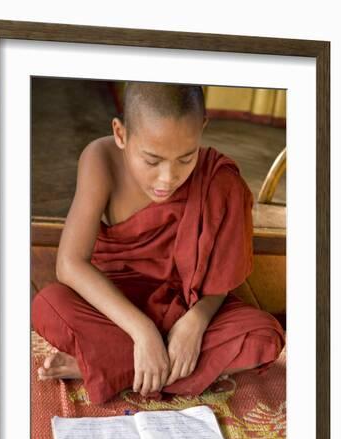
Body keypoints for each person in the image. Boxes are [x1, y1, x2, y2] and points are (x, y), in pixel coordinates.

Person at [31, 82, 286, 405]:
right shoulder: (101, 158)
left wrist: (195, 323)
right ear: (121, 134)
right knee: (48, 305)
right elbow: (70, 264)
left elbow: (219, 282)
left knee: (264, 335)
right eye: (152, 161)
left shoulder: (219, 179)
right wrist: (143, 332)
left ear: (202, 129)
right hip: (117, 303)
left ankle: (102, 366)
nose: (168, 177)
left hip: (186, 303)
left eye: (186, 158)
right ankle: (138, 362)